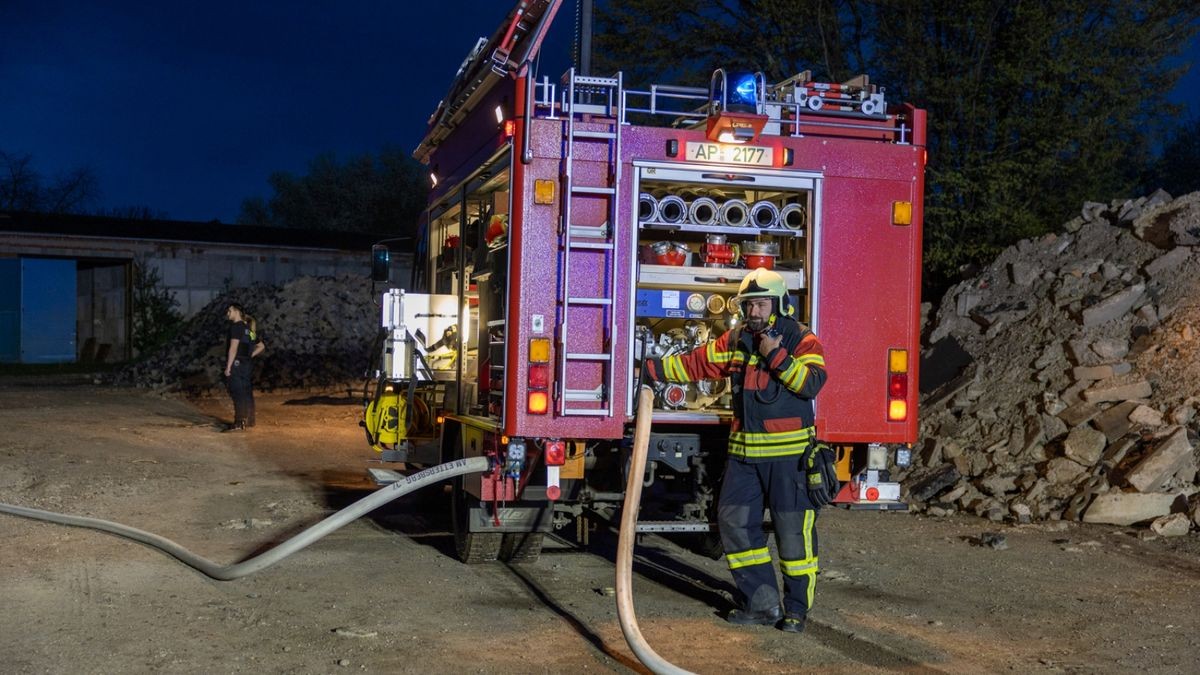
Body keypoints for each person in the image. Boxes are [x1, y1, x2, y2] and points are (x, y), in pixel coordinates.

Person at [642, 268, 834, 633]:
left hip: (789, 461)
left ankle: (796, 610)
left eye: (761, 304)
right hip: (744, 457)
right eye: (749, 305)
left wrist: (776, 356)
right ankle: (762, 604)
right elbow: (696, 363)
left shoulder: (802, 339)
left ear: (780, 305)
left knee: (794, 537)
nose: (754, 312)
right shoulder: (736, 338)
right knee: (734, 522)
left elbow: (811, 383)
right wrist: (651, 368)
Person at [223, 303, 266, 431]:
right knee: (246, 391)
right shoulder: (248, 329)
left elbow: (233, 348)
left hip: (237, 364)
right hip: (246, 365)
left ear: (237, 311)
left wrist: (228, 367)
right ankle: (250, 421)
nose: (228, 313)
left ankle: (239, 422)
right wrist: (249, 355)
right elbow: (262, 346)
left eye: (229, 311)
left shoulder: (236, 327)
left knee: (238, 392)